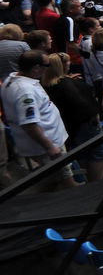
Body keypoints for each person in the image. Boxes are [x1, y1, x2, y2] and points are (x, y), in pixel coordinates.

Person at [2, 49, 72, 185]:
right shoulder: (25, 92)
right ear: (36, 69)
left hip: (45, 142)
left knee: (55, 178)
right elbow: (29, 124)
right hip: (47, 144)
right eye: (47, 65)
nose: (49, 68)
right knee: (65, 180)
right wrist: (50, 147)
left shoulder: (11, 79)